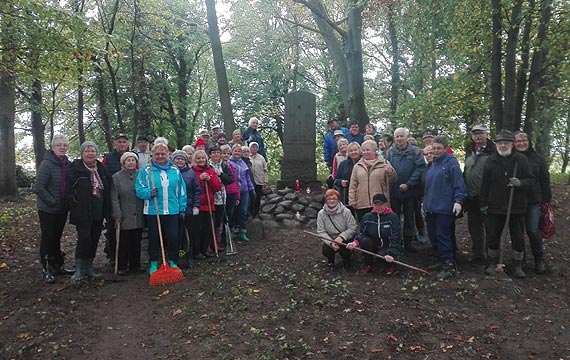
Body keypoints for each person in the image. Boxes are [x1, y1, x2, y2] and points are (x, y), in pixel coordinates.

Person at [480, 130, 534, 278]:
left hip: (516, 206)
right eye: (500, 143)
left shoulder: (520, 159)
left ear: (512, 144)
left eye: (506, 143)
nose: (503, 145)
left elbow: (531, 180)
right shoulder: (491, 160)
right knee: (492, 235)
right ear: (496, 144)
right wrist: (483, 203)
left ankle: (517, 265)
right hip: (494, 206)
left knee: (517, 237)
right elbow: (485, 184)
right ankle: (492, 263)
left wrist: (520, 183)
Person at [135, 142, 187, 275]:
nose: (160, 156)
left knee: (173, 237)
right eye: (157, 154)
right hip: (154, 210)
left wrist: (182, 207)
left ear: (168, 155)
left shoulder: (175, 170)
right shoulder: (146, 170)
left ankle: (172, 261)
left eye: (163, 154)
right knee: (154, 238)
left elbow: (181, 190)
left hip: (172, 210)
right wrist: (148, 193)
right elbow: (139, 188)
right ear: (152, 154)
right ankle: (153, 262)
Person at [423, 136, 467, 280]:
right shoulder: (432, 164)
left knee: (443, 236)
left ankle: (448, 264)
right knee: (433, 235)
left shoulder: (451, 163)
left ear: (445, 149)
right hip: (430, 207)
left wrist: (458, 200)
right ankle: (440, 259)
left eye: (439, 148)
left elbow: (458, 183)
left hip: (444, 207)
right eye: (434, 148)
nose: (436, 151)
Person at [67, 141, 110, 283]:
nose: (90, 153)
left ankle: (89, 267)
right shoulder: (75, 169)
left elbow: (108, 189)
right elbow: (68, 190)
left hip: (98, 210)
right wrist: (74, 204)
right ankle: (79, 269)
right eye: (87, 151)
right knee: (84, 238)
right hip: (82, 211)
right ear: (82, 153)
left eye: (92, 151)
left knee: (94, 238)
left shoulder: (102, 168)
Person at [35, 135, 73, 283]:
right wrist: (52, 202)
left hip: (62, 209)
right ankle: (46, 268)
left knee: (56, 237)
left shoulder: (68, 164)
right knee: (48, 237)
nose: (63, 147)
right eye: (59, 145)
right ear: (53, 147)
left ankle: (57, 265)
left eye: (65, 145)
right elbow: (39, 187)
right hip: (47, 209)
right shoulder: (47, 164)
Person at [513, 131, 551, 274]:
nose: (521, 143)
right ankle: (520, 260)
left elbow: (545, 180)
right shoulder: (511, 158)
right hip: (515, 200)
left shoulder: (538, 159)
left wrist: (546, 201)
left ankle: (539, 260)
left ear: (529, 142)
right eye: (518, 141)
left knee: (533, 230)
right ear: (514, 143)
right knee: (517, 232)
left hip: (533, 200)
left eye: (524, 140)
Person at [385, 127, 425, 253]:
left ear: (407, 137)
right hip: (394, 191)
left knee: (409, 217)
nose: (399, 139)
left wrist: (409, 183)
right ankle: (396, 243)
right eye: (397, 136)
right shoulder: (389, 152)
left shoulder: (415, 151)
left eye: (402, 136)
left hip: (410, 191)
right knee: (394, 217)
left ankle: (408, 243)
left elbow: (419, 169)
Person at [463, 124, 496, 263]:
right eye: (475, 134)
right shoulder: (470, 150)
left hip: (488, 197)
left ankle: (491, 255)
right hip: (471, 197)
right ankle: (478, 254)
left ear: (486, 134)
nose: (477, 136)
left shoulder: (493, 150)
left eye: (480, 133)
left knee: (490, 228)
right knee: (474, 227)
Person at [110, 151, 145, 275]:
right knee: (124, 242)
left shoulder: (141, 175)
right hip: (124, 214)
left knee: (136, 241)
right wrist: (117, 214)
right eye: (128, 160)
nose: (131, 162)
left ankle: (136, 265)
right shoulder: (116, 177)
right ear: (123, 163)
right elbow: (114, 198)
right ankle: (122, 266)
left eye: (133, 160)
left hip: (138, 214)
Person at [349, 140, 397, 222]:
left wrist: (390, 172)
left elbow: (392, 180)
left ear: (375, 151)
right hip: (362, 203)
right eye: (363, 150)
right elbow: (353, 185)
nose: (365, 152)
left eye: (368, 150)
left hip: (380, 203)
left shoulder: (384, 163)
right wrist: (352, 200)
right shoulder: (357, 166)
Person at [102, 133, 130, 267]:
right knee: (112, 228)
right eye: (119, 142)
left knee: (128, 228)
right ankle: (112, 255)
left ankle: (127, 255)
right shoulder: (107, 158)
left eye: (124, 142)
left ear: (128, 143)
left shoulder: (131, 158)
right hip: (111, 198)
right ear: (115, 143)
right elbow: (102, 175)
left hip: (128, 199)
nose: (122, 144)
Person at [353, 194, 400, 274]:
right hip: (374, 244)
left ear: (386, 204)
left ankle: (389, 265)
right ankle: (368, 264)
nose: (378, 207)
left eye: (381, 204)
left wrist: (391, 252)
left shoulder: (393, 217)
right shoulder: (367, 217)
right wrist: (355, 242)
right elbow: (362, 233)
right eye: (376, 204)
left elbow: (396, 236)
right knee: (365, 241)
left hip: (387, 245)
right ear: (372, 205)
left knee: (382, 255)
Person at [171, 150, 201, 266]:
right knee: (175, 235)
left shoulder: (190, 173)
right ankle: (177, 256)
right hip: (173, 209)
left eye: (182, 159)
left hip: (188, 208)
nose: (179, 161)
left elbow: (197, 190)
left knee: (188, 233)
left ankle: (189, 255)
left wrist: (196, 206)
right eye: (177, 159)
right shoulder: (170, 172)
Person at [191, 150, 222, 257]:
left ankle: (205, 249)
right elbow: (190, 187)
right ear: (195, 160)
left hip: (210, 205)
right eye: (198, 158)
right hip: (198, 205)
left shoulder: (211, 170)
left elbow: (217, 187)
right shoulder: (192, 172)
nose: (201, 160)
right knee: (197, 230)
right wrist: (199, 179)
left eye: (203, 158)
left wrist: (210, 179)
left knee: (208, 229)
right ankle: (196, 251)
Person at [317, 189, 358, 269]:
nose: (332, 201)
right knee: (326, 249)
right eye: (329, 199)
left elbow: (352, 227)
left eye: (334, 198)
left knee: (345, 250)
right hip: (330, 238)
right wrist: (331, 242)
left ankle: (347, 260)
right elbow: (321, 231)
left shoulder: (346, 212)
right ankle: (330, 260)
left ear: (338, 199)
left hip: (344, 238)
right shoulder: (321, 213)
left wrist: (341, 237)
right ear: (326, 200)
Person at [208, 145, 235, 249]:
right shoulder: (207, 165)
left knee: (219, 221)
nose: (216, 155)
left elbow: (230, 179)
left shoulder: (224, 165)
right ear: (210, 154)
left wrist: (220, 175)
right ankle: (209, 244)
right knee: (210, 221)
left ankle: (216, 243)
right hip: (210, 197)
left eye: (218, 152)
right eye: (213, 153)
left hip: (221, 197)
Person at [229, 144, 255, 241]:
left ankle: (243, 231)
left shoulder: (243, 163)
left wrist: (251, 189)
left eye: (239, 151)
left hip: (244, 190)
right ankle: (233, 230)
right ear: (232, 151)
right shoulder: (228, 162)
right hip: (233, 191)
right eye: (235, 151)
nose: (237, 153)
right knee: (233, 211)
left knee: (243, 211)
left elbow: (247, 178)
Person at [221, 144, 241, 237]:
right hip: (223, 193)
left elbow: (235, 181)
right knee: (223, 215)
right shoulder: (219, 166)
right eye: (224, 153)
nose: (226, 155)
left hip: (232, 192)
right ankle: (222, 235)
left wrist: (237, 196)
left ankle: (228, 235)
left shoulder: (231, 165)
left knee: (230, 213)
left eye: (228, 153)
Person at [249, 142, 268, 217]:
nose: (254, 148)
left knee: (258, 197)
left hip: (259, 181)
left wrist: (265, 180)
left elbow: (265, 170)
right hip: (250, 181)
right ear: (250, 148)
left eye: (256, 147)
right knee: (251, 197)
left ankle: (256, 212)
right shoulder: (247, 157)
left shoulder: (261, 157)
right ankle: (250, 211)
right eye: (253, 147)